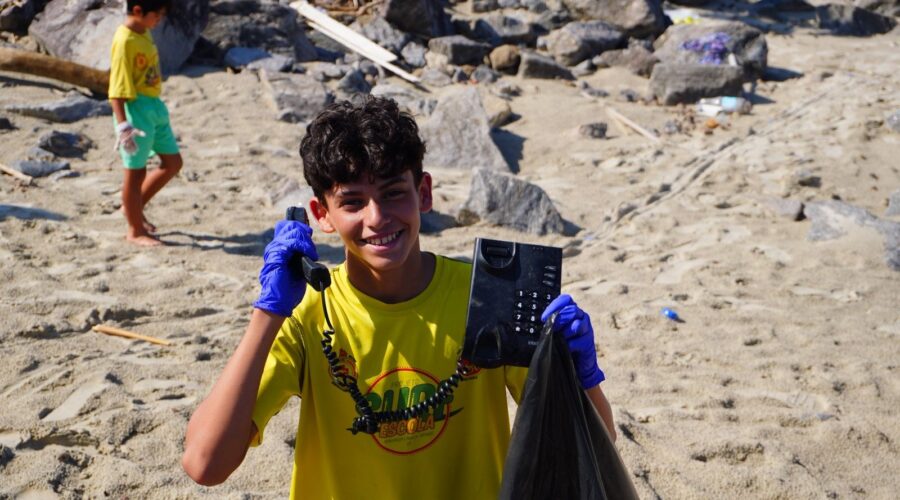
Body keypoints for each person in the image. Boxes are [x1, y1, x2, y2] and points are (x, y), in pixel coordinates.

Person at [181, 97, 616, 498]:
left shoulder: (485, 298)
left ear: (423, 192)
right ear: (321, 216)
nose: (377, 218)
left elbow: (594, 452)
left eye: (393, 193)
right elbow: (205, 464)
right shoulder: (307, 312)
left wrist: (583, 375)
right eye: (352, 202)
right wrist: (268, 312)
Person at [108, 0, 183, 247]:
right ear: (138, 11)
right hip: (135, 111)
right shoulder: (124, 40)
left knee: (173, 162)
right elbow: (116, 88)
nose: (159, 20)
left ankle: (133, 210)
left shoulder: (143, 31)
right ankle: (134, 229)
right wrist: (123, 126)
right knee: (135, 171)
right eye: (157, 15)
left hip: (154, 106)